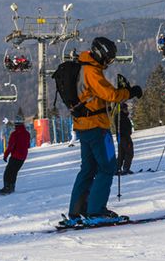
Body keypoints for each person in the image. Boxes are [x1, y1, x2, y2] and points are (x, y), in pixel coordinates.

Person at [66, 37, 143, 226]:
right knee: (107, 167)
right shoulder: (91, 71)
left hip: (83, 126)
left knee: (88, 169)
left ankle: (77, 211)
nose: (108, 63)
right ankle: (95, 210)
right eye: (108, 59)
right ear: (100, 54)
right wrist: (130, 92)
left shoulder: (83, 66)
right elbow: (110, 94)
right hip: (96, 126)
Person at [0, 114, 30, 195]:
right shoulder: (27, 133)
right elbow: (28, 145)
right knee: (14, 172)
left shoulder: (14, 134)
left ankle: (7, 187)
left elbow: (11, 146)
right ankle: (12, 187)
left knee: (8, 172)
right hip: (23, 157)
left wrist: (5, 155)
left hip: (15, 156)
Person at [115, 102, 135, 175]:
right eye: (125, 109)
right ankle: (125, 168)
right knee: (129, 153)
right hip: (125, 138)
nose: (127, 110)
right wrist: (127, 138)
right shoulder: (121, 117)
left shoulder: (121, 116)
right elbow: (123, 129)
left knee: (121, 154)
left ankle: (117, 169)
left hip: (122, 138)